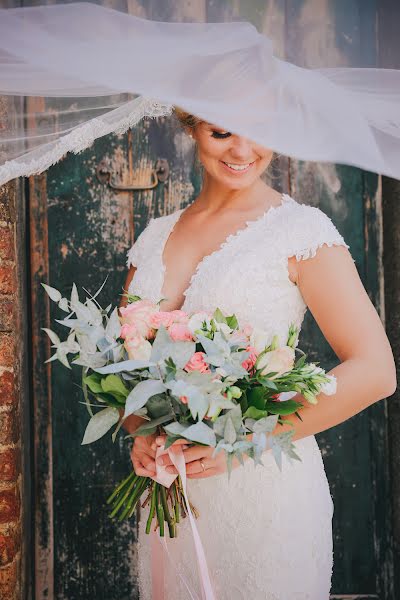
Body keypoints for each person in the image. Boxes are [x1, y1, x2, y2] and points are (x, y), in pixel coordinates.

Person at [120, 108, 396, 599]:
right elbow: (127, 372)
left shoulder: (300, 231)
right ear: (191, 127)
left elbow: (376, 371)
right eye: (221, 131)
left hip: (263, 494)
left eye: (259, 131)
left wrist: (245, 442)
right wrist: (140, 432)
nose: (242, 151)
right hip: (172, 496)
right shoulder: (155, 236)